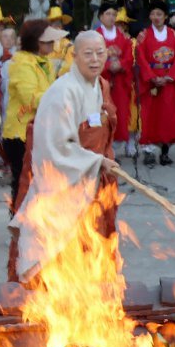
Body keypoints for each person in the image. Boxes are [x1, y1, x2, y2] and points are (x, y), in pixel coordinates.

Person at [9, 31, 120, 281]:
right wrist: (96, 161)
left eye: (100, 53)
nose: (95, 59)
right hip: (63, 186)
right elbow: (56, 146)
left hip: (92, 183)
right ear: (74, 56)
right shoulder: (62, 92)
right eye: (88, 53)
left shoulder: (99, 86)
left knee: (93, 252)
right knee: (60, 254)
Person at [5, 20, 61, 205]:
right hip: (21, 135)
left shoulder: (46, 62)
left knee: (41, 184)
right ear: (36, 41)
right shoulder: (21, 63)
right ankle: (18, 228)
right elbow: (30, 97)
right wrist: (61, 99)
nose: (53, 44)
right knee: (23, 184)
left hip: (41, 131)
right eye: (48, 41)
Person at [137, 0, 175, 166]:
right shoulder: (143, 36)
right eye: (153, 14)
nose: (156, 17)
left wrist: (169, 76)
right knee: (150, 115)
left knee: (167, 116)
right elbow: (141, 59)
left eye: (159, 14)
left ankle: (165, 151)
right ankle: (148, 150)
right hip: (152, 81)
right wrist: (152, 77)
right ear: (150, 16)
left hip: (168, 81)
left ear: (165, 16)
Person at [94, 1, 135, 155]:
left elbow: (129, 58)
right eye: (108, 14)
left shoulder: (123, 38)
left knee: (119, 113)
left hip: (119, 83)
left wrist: (121, 64)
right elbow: (91, 58)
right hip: (100, 83)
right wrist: (106, 66)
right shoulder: (95, 36)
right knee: (101, 114)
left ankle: (113, 150)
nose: (111, 17)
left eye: (113, 14)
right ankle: (100, 147)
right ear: (100, 16)